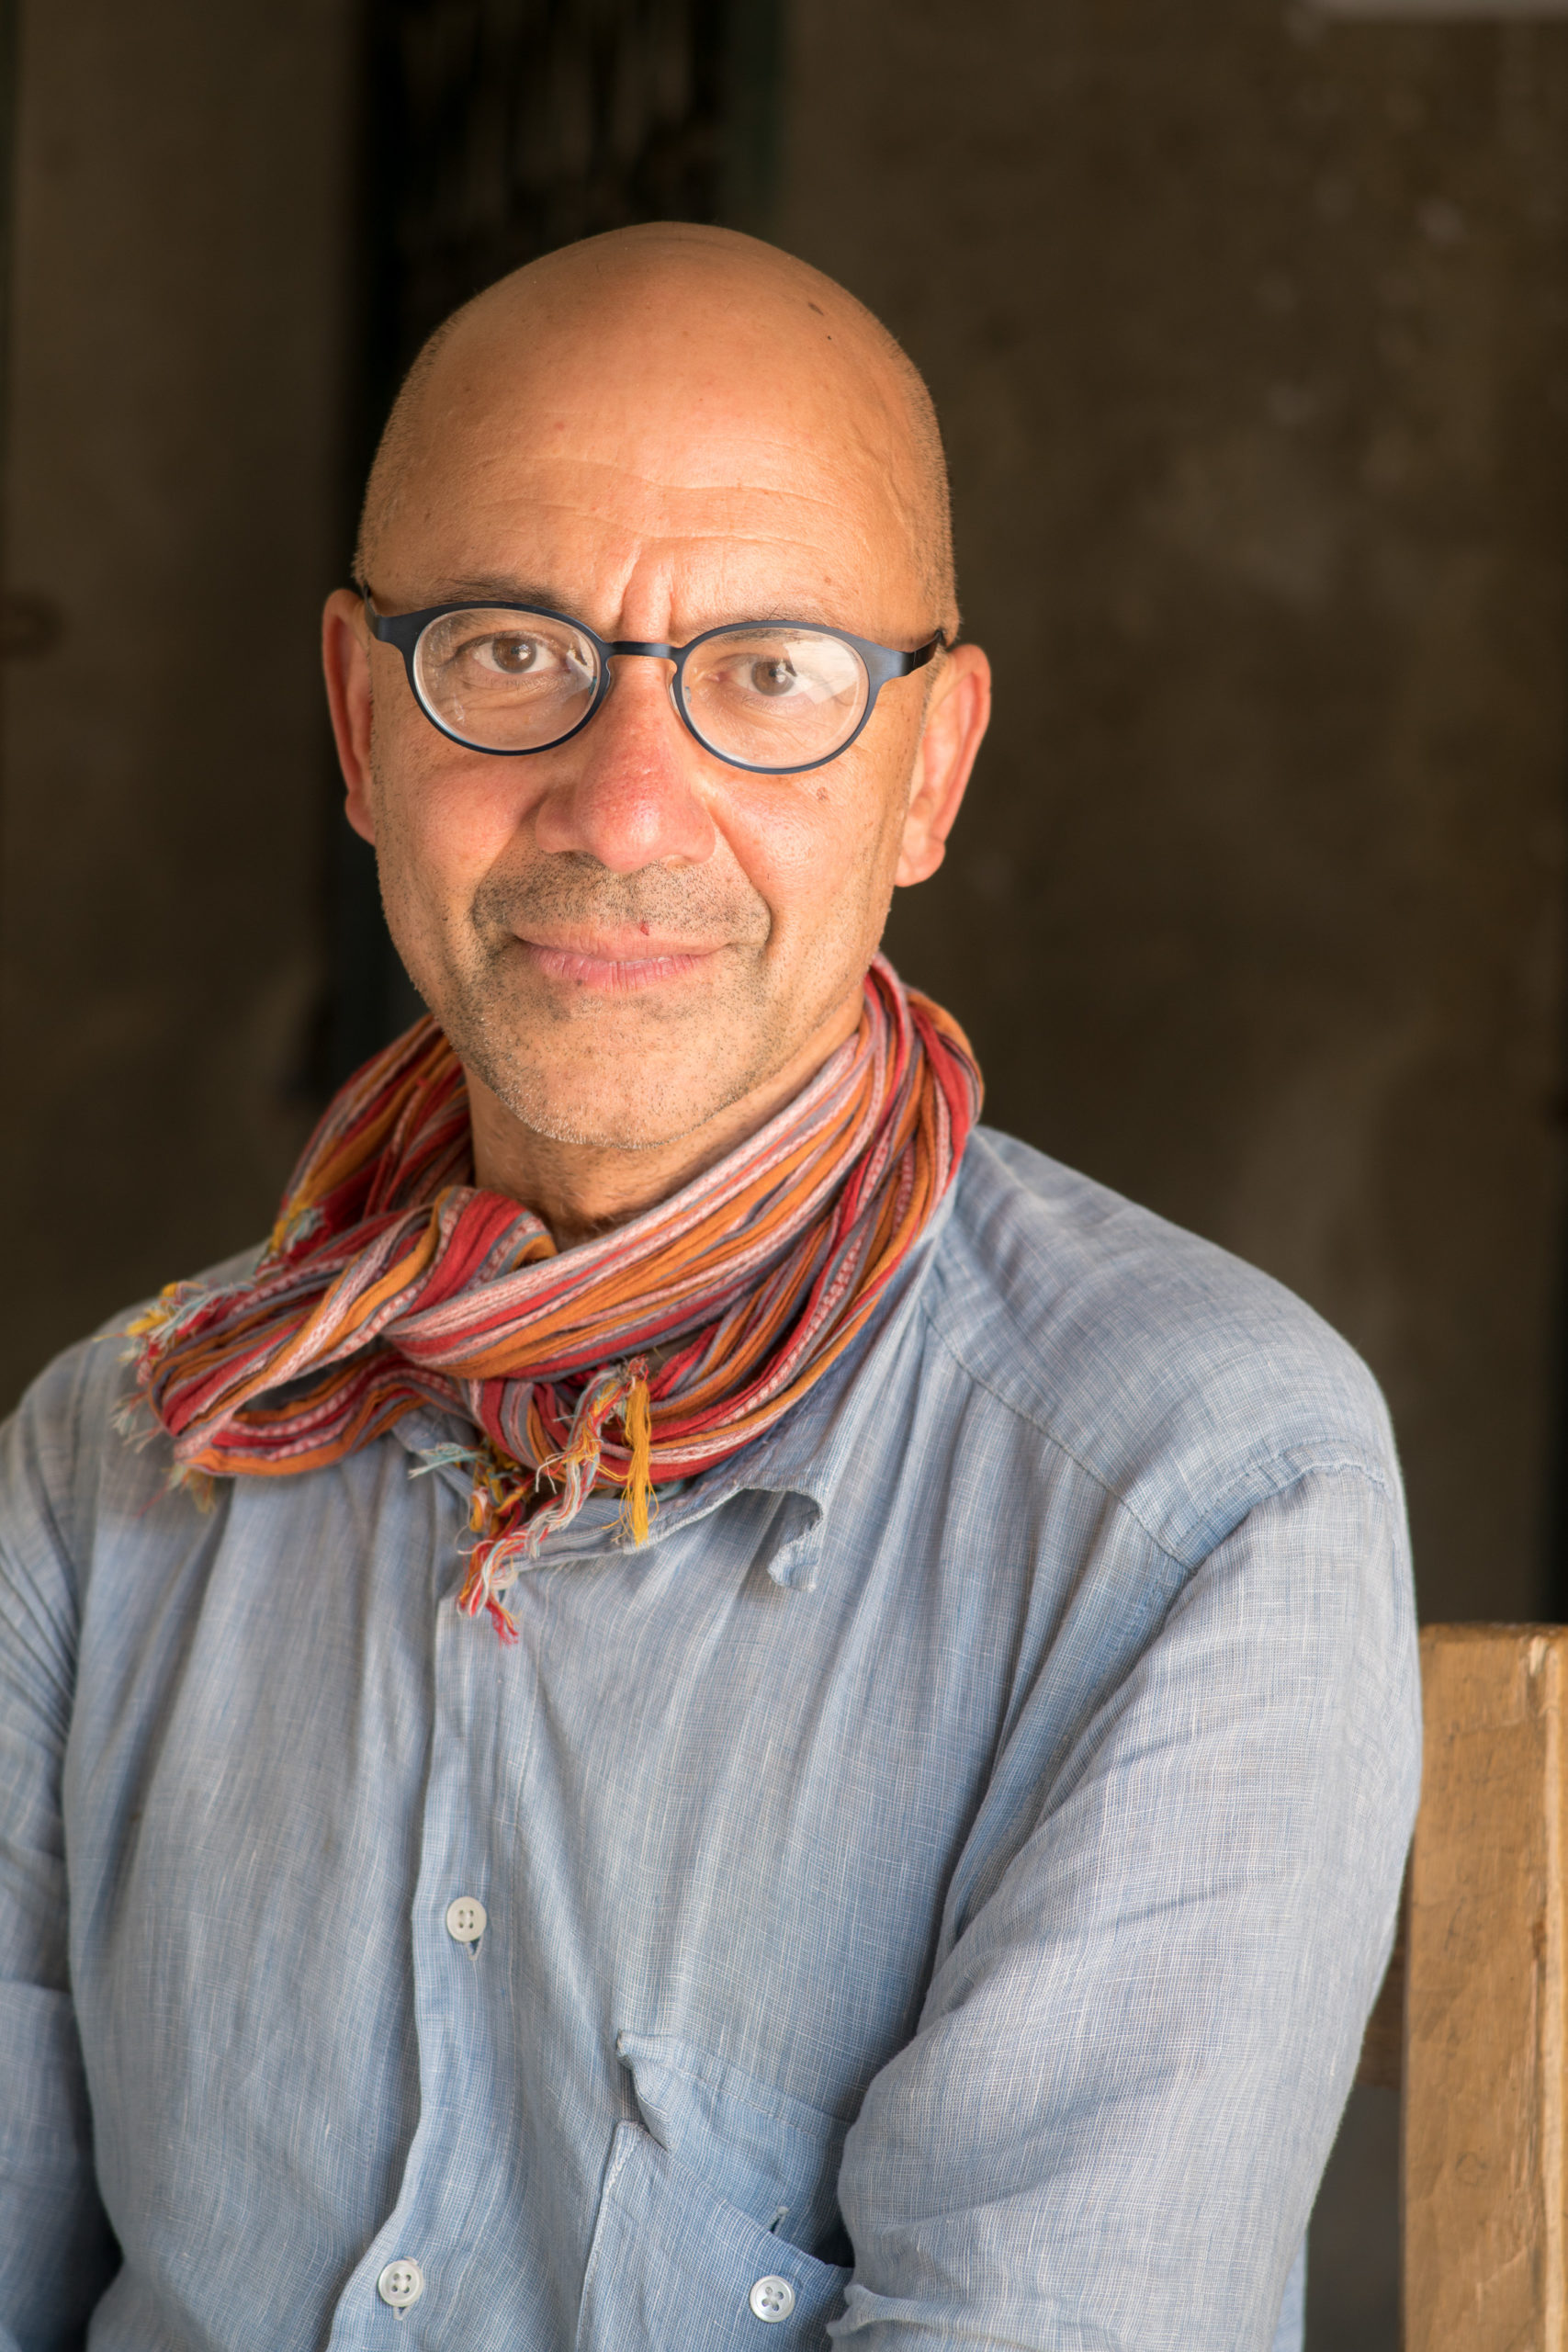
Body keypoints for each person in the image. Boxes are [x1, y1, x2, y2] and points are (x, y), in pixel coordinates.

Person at [0, 223, 1418, 2352]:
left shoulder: (1193, 1487)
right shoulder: (113, 1449)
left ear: (926, 767)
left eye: (770, 671)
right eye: (509, 650)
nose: (624, 803)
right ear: (358, 722)